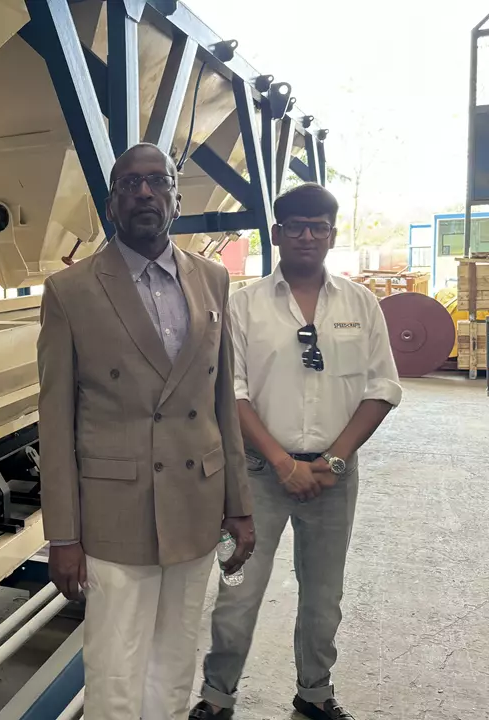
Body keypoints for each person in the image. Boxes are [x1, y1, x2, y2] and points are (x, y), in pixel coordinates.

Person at [37, 143, 255, 720]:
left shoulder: (213, 279)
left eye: (158, 181)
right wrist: (63, 536)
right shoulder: (71, 291)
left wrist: (239, 505)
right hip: (115, 511)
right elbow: (55, 422)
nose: (144, 193)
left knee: (175, 661)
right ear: (111, 204)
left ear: (176, 199)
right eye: (129, 184)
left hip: (195, 503)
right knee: (115, 669)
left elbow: (222, 401)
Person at [190, 184, 403, 720]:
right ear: (277, 233)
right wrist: (283, 464)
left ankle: (314, 693)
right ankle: (216, 697)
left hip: (334, 479)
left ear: (331, 234)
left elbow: (382, 388)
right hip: (256, 476)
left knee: (323, 598)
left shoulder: (360, 304)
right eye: (296, 227)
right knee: (236, 591)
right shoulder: (244, 306)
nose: (307, 236)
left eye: (318, 227)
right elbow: (230, 392)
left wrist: (334, 461)